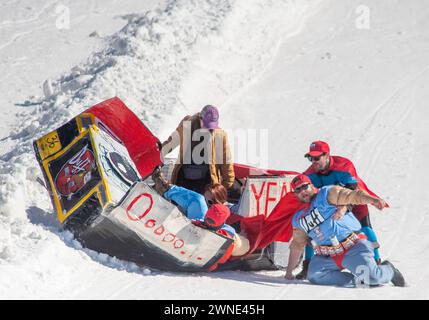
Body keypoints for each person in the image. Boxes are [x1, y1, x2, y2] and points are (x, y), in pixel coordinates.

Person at [285, 174, 405, 287]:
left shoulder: (326, 194)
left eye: (304, 186)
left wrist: (372, 200)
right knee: (314, 276)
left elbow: (352, 195)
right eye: (298, 190)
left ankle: (389, 270)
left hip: (352, 248)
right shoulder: (298, 218)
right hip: (327, 256)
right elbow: (297, 245)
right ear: (295, 194)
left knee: (373, 279)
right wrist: (289, 272)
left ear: (311, 185)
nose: (302, 191)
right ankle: (360, 280)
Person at [297, 140, 383, 279]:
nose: (313, 161)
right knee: (312, 229)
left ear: (327, 155)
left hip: (352, 199)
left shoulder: (344, 165)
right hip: (329, 204)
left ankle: (377, 261)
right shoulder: (309, 174)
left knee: (365, 228)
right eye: (310, 158)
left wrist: (343, 208)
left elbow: (352, 191)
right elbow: (304, 197)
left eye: (317, 157)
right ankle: (307, 266)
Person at [151, 169, 249, 255]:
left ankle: (165, 188)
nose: (207, 205)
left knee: (198, 200)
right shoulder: (196, 210)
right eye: (206, 202)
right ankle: (164, 190)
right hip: (190, 232)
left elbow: (242, 210)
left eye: (210, 202)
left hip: (208, 239)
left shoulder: (227, 210)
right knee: (197, 201)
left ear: (220, 201)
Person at [161, 105, 235, 194]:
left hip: (206, 182)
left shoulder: (220, 135)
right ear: (200, 118)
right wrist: (159, 152)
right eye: (206, 125)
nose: (208, 129)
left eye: (211, 127)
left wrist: (227, 184)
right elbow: (171, 142)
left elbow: (226, 161)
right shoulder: (186, 124)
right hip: (183, 179)